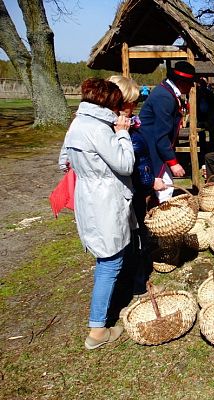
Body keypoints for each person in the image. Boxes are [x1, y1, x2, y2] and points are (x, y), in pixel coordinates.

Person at [59, 78, 134, 350]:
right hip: (104, 199)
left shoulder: (77, 123)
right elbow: (125, 164)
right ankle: (97, 330)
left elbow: (63, 161)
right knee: (109, 261)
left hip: (88, 196)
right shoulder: (99, 128)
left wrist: (86, 168)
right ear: (109, 102)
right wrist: (123, 134)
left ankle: (102, 317)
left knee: (107, 256)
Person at [107, 75, 155, 300]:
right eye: (131, 102)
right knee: (136, 239)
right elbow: (130, 165)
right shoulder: (122, 131)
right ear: (119, 101)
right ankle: (137, 286)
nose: (135, 106)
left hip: (134, 190)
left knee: (135, 237)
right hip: (131, 193)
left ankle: (135, 280)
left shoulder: (129, 125)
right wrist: (149, 182)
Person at [138, 61, 196, 203]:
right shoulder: (164, 96)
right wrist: (173, 162)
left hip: (154, 146)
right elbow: (161, 134)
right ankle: (162, 221)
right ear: (181, 82)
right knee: (164, 189)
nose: (191, 87)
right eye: (190, 83)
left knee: (163, 187)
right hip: (152, 147)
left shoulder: (166, 92)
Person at [196, 77, 214, 151]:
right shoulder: (197, 93)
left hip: (209, 117)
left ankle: (211, 147)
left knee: (211, 132)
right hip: (202, 117)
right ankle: (205, 147)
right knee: (202, 132)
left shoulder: (210, 91)